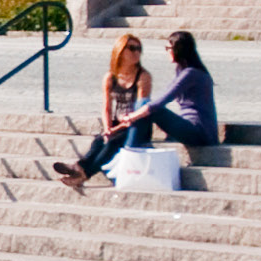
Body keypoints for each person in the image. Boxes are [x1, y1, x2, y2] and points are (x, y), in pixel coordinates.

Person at [58, 31, 215, 192]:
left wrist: (132, 116)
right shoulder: (183, 71)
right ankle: (81, 170)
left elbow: (162, 101)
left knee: (144, 107)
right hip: (188, 127)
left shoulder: (190, 74)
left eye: (169, 47)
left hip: (200, 132)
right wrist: (111, 127)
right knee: (101, 140)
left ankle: (127, 153)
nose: (167, 50)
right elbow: (107, 107)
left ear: (178, 49)